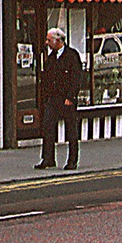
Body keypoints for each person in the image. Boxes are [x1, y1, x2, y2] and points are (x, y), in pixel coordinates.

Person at [36, 27, 83, 171]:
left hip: (67, 98)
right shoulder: (51, 58)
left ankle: (72, 160)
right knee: (48, 127)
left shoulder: (72, 55)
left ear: (58, 41)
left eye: (49, 40)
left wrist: (71, 96)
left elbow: (76, 78)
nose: (47, 43)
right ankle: (48, 158)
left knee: (71, 130)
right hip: (53, 99)